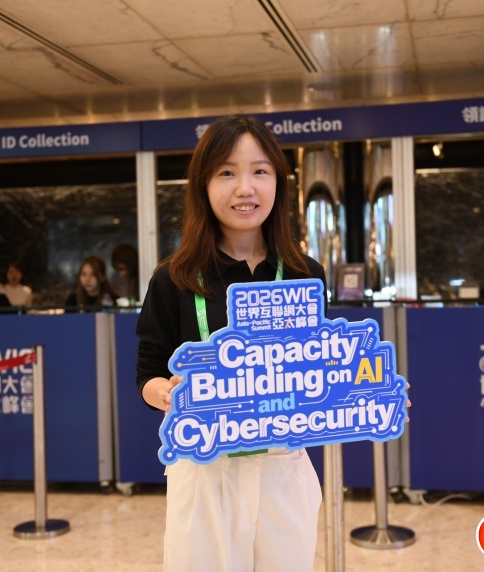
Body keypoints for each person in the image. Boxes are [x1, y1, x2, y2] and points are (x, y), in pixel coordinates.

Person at [135, 114, 326, 572]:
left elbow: (321, 367)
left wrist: (366, 391)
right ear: (203, 184)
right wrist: (171, 393)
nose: (245, 188)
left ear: (278, 182)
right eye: (227, 172)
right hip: (206, 468)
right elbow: (148, 375)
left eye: (260, 171)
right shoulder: (174, 278)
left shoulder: (305, 274)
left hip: (284, 466)